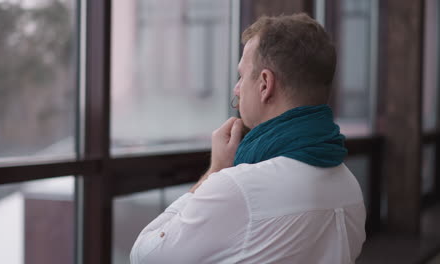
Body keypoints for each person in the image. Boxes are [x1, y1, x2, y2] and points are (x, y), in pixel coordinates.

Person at [130, 13, 365, 264]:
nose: (237, 89)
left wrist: (215, 171)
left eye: (242, 76)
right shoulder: (350, 187)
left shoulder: (237, 189)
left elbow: (144, 256)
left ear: (265, 84)